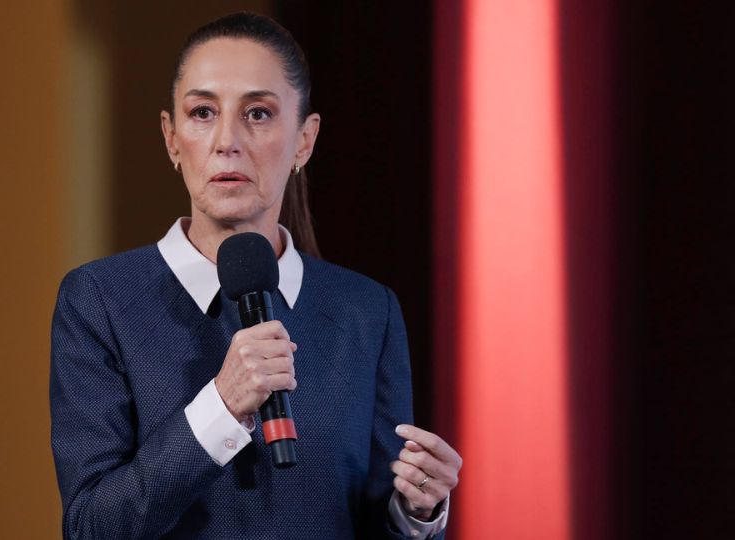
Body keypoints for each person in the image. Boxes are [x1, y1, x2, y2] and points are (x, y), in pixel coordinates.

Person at [50, 12, 461, 539]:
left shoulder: (366, 310)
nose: (227, 141)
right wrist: (221, 405)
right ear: (171, 138)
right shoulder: (100, 300)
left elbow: (375, 520)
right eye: (202, 112)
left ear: (305, 140)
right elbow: (89, 527)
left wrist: (418, 513)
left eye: (259, 114)